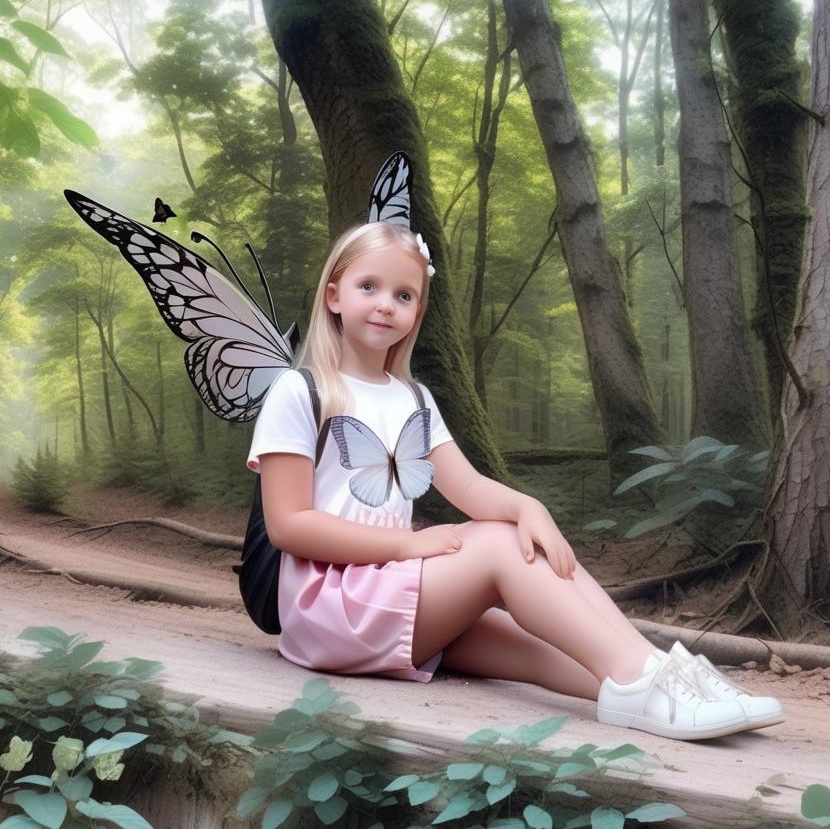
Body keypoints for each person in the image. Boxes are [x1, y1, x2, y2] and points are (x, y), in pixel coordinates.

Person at [246, 220, 783, 742]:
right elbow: (290, 526)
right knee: (500, 542)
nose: (386, 303)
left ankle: (666, 681)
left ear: (418, 312)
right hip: (331, 605)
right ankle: (644, 677)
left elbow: (471, 489)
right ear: (335, 296)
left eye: (404, 295)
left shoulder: (414, 398)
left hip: (390, 591)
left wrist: (530, 507)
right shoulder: (302, 391)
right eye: (370, 287)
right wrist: (407, 544)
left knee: (546, 641)